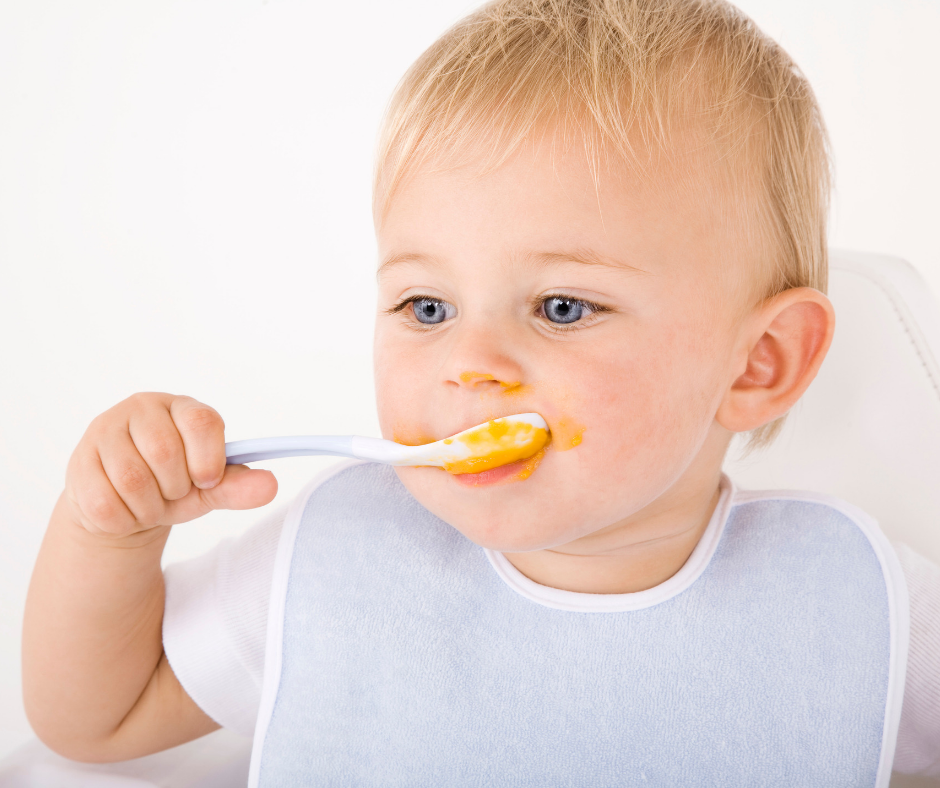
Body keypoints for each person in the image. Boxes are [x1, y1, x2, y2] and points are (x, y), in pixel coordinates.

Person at [21, 0, 940, 782]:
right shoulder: (339, 559)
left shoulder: (857, 603)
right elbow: (102, 717)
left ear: (758, 364)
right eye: (427, 306)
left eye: (562, 306)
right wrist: (111, 532)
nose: (473, 363)